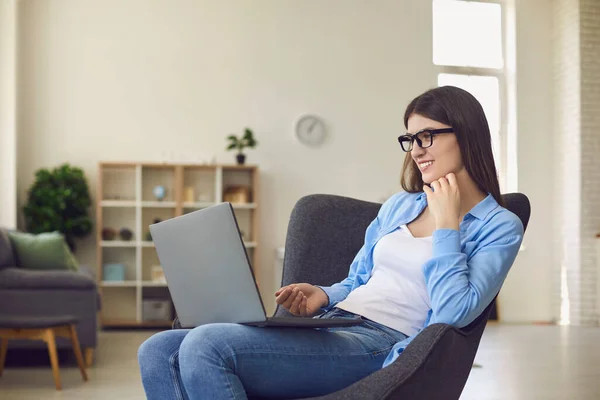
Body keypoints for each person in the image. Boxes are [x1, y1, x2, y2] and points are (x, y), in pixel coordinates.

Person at [138, 86, 524, 400]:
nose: (417, 150)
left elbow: (455, 315)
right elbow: (359, 280)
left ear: (466, 133)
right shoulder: (401, 205)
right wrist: (323, 295)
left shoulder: (499, 225)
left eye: (427, 136)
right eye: (410, 139)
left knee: (207, 345)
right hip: (337, 323)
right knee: (157, 350)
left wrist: (447, 226)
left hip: (384, 345)